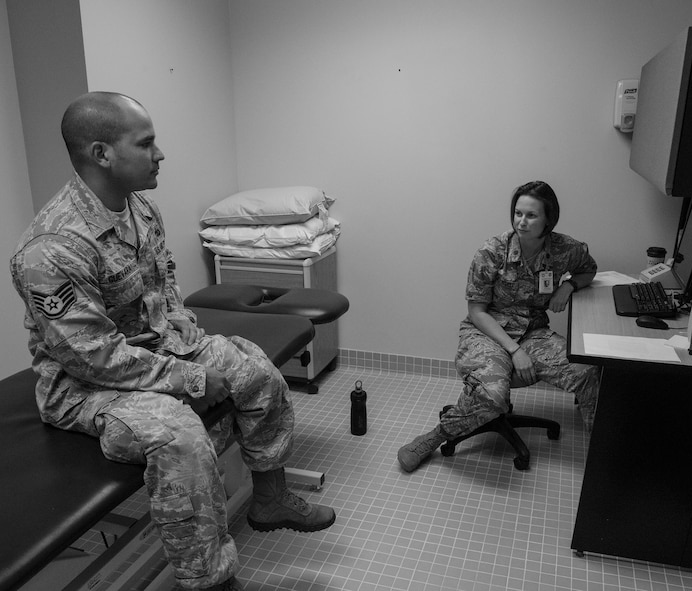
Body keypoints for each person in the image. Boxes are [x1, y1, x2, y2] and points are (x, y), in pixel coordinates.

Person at [10, 92, 335, 591]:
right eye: (145, 144)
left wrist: (180, 323)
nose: (159, 154)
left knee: (254, 368)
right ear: (101, 154)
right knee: (179, 435)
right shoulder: (51, 248)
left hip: (153, 351)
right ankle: (207, 580)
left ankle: (269, 500)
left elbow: (163, 286)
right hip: (84, 387)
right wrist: (189, 378)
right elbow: (91, 356)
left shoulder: (141, 209)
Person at [397, 181, 601, 473]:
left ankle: (603, 454)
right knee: (493, 395)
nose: (521, 221)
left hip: (533, 333)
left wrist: (568, 286)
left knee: (588, 370)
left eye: (531, 215)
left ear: (548, 220)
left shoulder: (564, 249)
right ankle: (435, 436)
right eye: (518, 213)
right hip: (487, 333)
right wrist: (514, 350)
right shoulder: (492, 251)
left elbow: (589, 269)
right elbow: (477, 311)